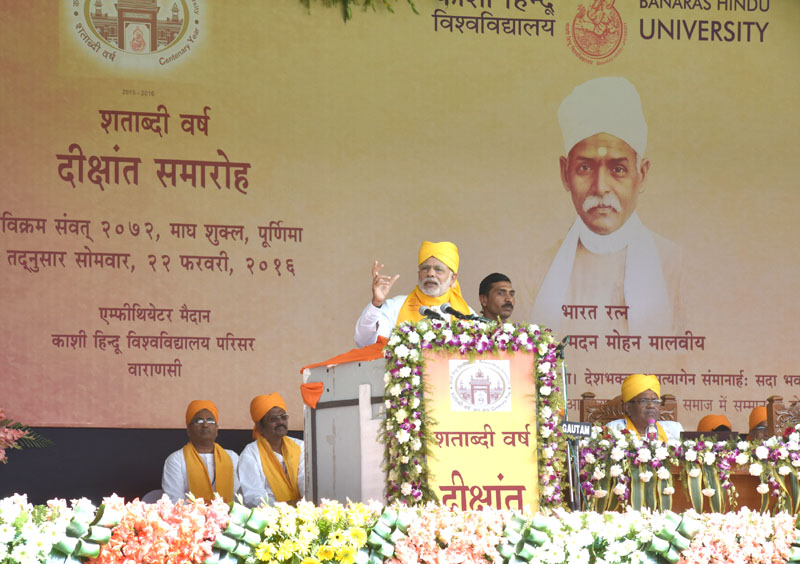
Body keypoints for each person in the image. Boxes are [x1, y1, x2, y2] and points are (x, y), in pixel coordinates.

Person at [531, 77, 683, 336]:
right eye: (585, 168)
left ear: (642, 175)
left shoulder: (677, 267)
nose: (600, 187)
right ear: (565, 173)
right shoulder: (536, 272)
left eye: (618, 169)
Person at [354, 241, 473, 347]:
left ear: (452, 278)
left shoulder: (465, 315)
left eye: (438, 269)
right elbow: (365, 343)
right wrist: (376, 304)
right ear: (419, 274)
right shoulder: (395, 306)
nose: (430, 273)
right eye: (425, 268)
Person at [162, 400, 239, 503]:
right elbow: (175, 501)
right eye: (199, 421)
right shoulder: (176, 460)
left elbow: (238, 495)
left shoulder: (232, 457)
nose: (205, 425)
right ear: (188, 430)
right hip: (191, 518)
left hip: (230, 517)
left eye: (210, 421)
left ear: (217, 429)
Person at [238, 393, 304, 507]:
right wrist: (285, 507)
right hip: (270, 517)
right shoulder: (250, 454)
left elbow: (307, 482)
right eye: (273, 419)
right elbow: (253, 497)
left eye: (283, 417)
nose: (280, 422)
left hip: (304, 511)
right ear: (259, 426)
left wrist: (304, 503)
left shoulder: (300, 446)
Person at [606, 373, 684, 441]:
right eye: (643, 401)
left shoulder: (674, 430)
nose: (651, 406)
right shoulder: (613, 429)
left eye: (655, 401)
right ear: (628, 407)